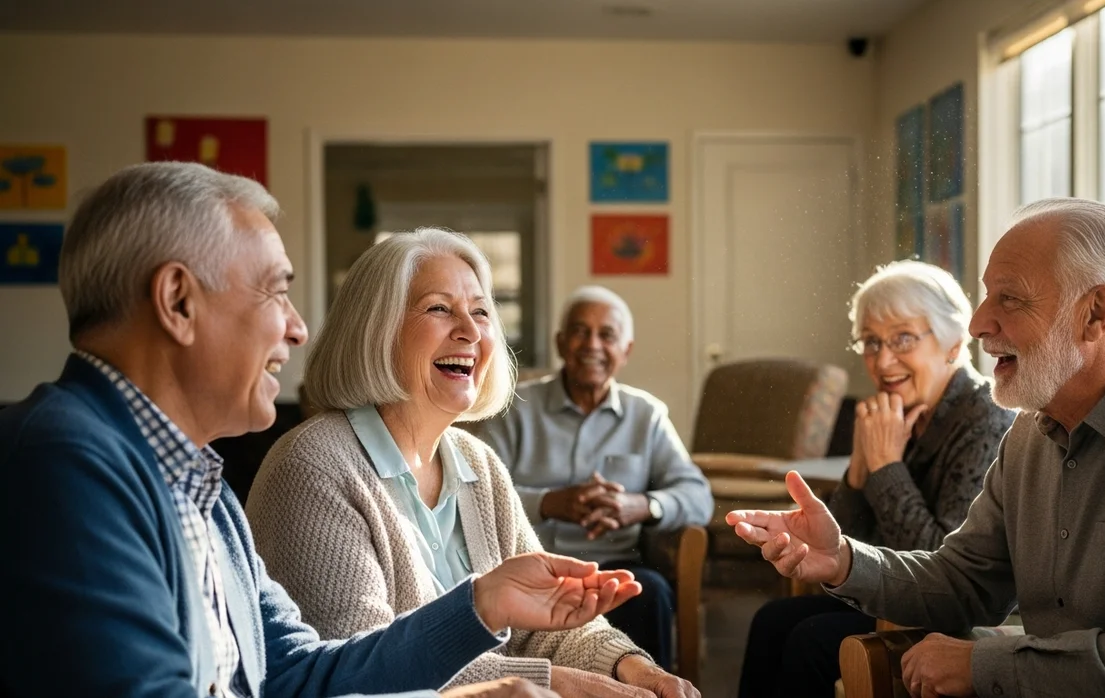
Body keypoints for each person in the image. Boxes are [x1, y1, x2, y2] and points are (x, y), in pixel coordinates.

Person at [0, 162, 641, 698]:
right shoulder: (66, 464)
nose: (297, 328)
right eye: (274, 292)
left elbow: (302, 675)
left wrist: (482, 606)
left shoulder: (200, 486)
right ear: (178, 302)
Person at [728, 198, 1105, 698]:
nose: (976, 323)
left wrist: (983, 664)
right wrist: (844, 559)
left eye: (1008, 298)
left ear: (1096, 314)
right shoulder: (1030, 433)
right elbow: (963, 582)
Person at [247, 230, 696, 698]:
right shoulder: (314, 465)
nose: (471, 331)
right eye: (440, 308)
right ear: (374, 327)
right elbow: (359, 672)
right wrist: (549, 682)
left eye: (481, 312)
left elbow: (543, 625)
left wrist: (630, 666)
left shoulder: (476, 462)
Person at [738, 261, 1015, 698]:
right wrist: (861, 468)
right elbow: (846, 540)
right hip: (886, 596)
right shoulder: (893, 414)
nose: (883, 360)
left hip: (952, 618)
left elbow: (943, 564)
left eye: (903, 338)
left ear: (952, 343)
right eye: (870, 342)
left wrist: (886, 467)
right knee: (772, 619)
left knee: (808, 639)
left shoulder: (987, 420)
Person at [473, 286, 714, 671]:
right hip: (529, 567)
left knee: (649, 591)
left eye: (607, 335)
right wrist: (551, 502)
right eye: (580, 331)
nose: (592, 345)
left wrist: (642, 505)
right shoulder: (515, 407)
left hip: (614, 565)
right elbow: (475, 492)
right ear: (560, 342)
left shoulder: (646, 414)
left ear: (626, 349)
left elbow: (698, 496)